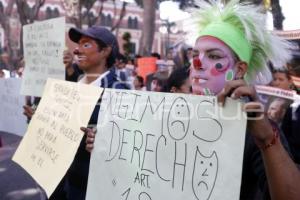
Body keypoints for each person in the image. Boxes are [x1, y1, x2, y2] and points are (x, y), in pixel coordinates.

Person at [86, 1, 300, 200]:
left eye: (214, 56)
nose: (197, 63)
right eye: (195, 54)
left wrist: (266, 140)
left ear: (239, 69)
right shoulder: (166, 113)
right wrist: (110, 145)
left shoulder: (254, 126)